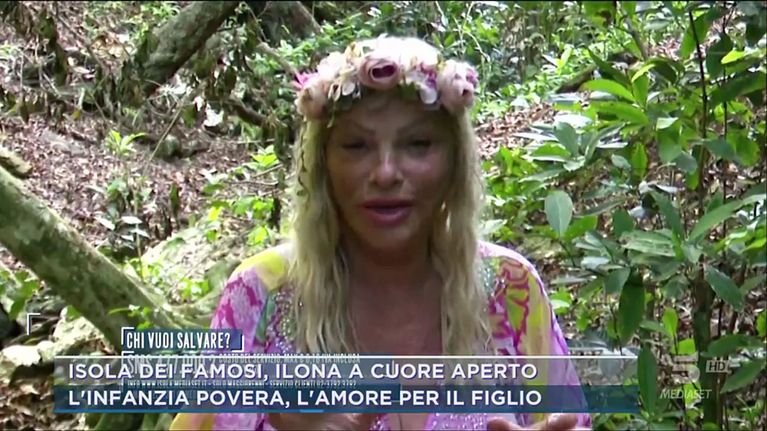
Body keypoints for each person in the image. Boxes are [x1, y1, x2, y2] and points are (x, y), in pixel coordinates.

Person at [170, 36, 592, 431]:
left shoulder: (510, 290)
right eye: (357, 146)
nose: (386, 173)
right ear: (323, 164)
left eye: (418, 144)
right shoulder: (259, 295)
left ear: (455, 163)